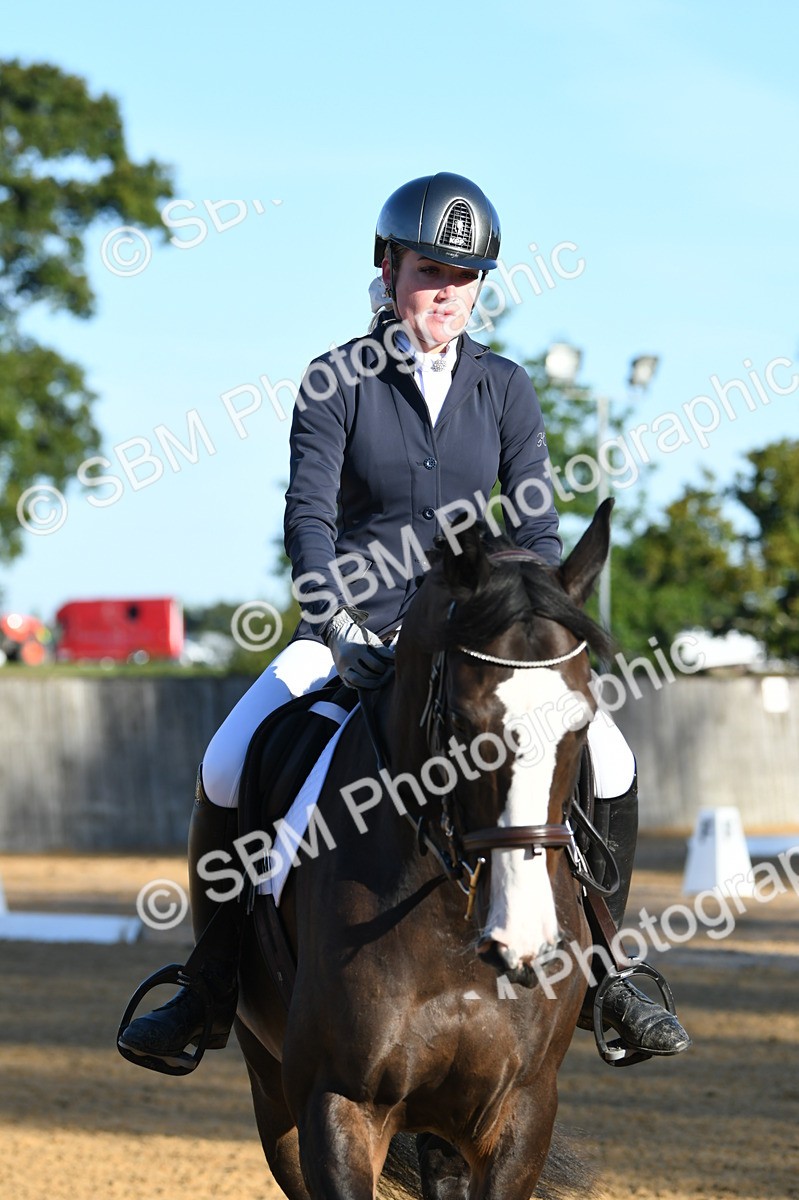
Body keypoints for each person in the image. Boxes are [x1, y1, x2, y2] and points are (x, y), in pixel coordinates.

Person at [118, 172, 690, 1071]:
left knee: (607, 755)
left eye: (464, 278)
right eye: (430, 270)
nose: (445, 293)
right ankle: (210, 981)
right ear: (387, 268)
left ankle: (610, 969)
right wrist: (334, 624)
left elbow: (536, 529)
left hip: (475, 642)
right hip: (356, 632)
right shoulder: (335, 378)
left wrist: (527, 631)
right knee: (226, 761)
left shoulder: (503, 386)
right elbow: (309, 516)